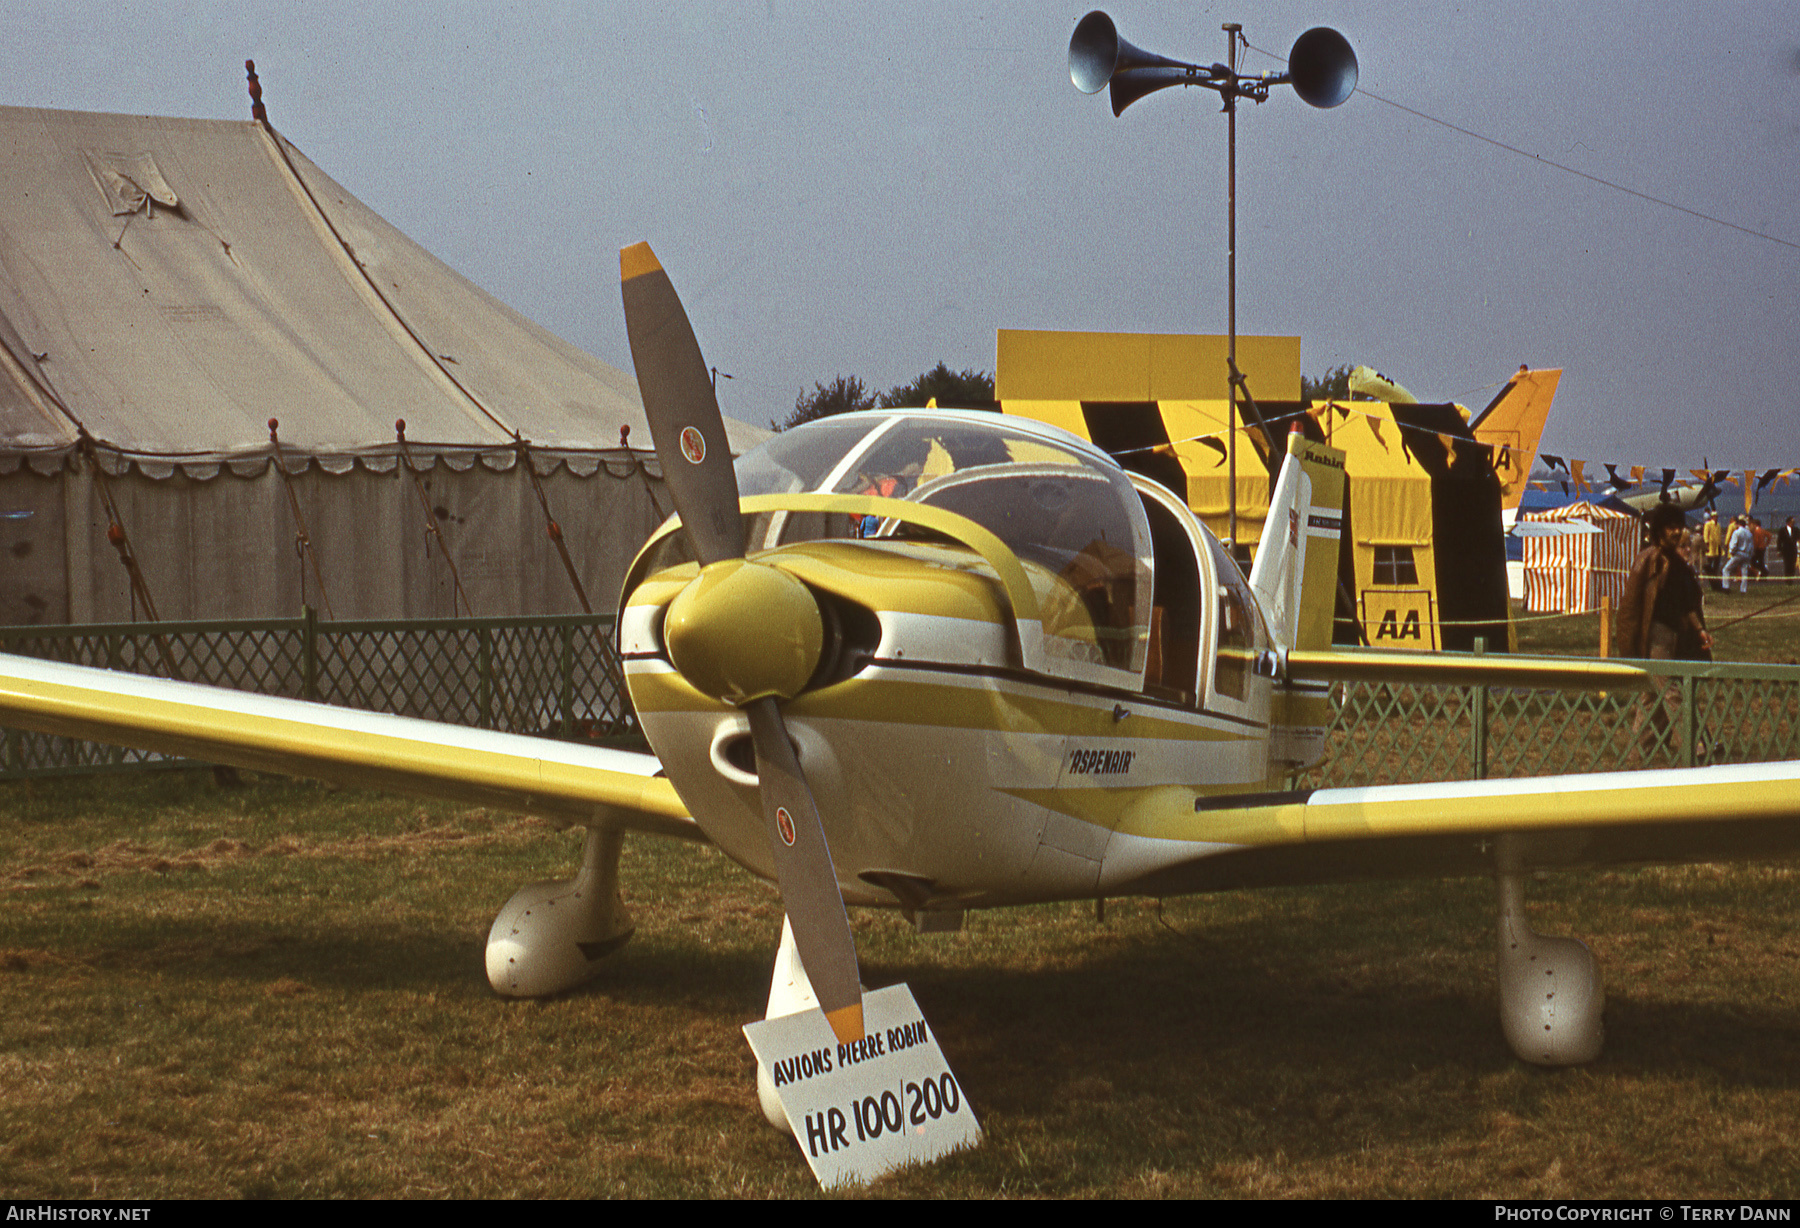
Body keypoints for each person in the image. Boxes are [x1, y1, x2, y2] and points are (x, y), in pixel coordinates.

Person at [1618, 503, 1713, 764]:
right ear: (1659, 530)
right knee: (1671, 692)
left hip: (1677, 636)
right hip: (1656, 636)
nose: (1676, 532)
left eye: (1678, 526)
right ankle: (1696, 749)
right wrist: (1630, 642)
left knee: (1652, 698)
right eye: (1670, 527)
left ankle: (1638, 755)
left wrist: (1700, 631)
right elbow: (1630, 605)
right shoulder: (1648, 558)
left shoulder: (1679, 564)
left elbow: (1687, 605)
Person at [1722, 515, 1754, 593]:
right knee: (1744, 572)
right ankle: (1743, 589)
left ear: (1739, 524)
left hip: (1738, 554)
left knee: (1726, 569)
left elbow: (1733, 544)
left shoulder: (1737, 532)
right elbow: (1751, 546)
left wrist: (1731, 552)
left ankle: (1726, 587)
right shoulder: (1749, 533)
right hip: (1746, 554)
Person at [1780, 516, 1798, 581]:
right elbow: (1779, 540)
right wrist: (1779, 550)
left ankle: (1791, 578)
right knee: (1787, 564)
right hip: (1786, 550)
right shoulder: (1782, 530)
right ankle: (1787, 579)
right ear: (1788, 522)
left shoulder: (1796, 530)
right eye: (1792, 521)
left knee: (1793, 564)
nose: (1793, 523)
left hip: (1793, 550)